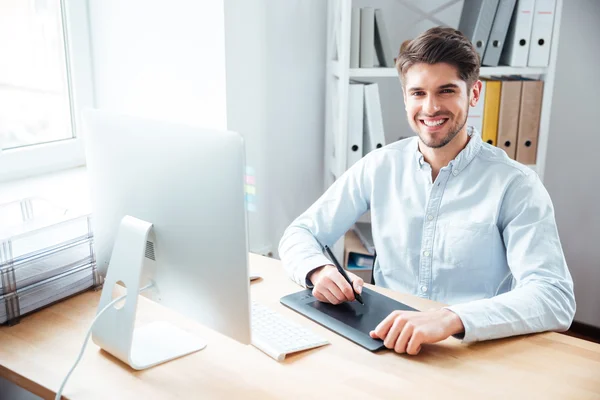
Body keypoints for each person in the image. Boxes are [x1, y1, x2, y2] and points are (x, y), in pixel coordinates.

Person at [278, 26, 575, 355]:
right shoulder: (380, 166)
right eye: (418, 93)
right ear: (405, 98)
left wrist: (451, 318)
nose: (431, 108)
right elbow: (300, 232)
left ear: (473, 94)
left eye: (446, 91)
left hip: (469, 351)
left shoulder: (515, 184)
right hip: (385, 340)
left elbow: (554, 296)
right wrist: (318, 270)